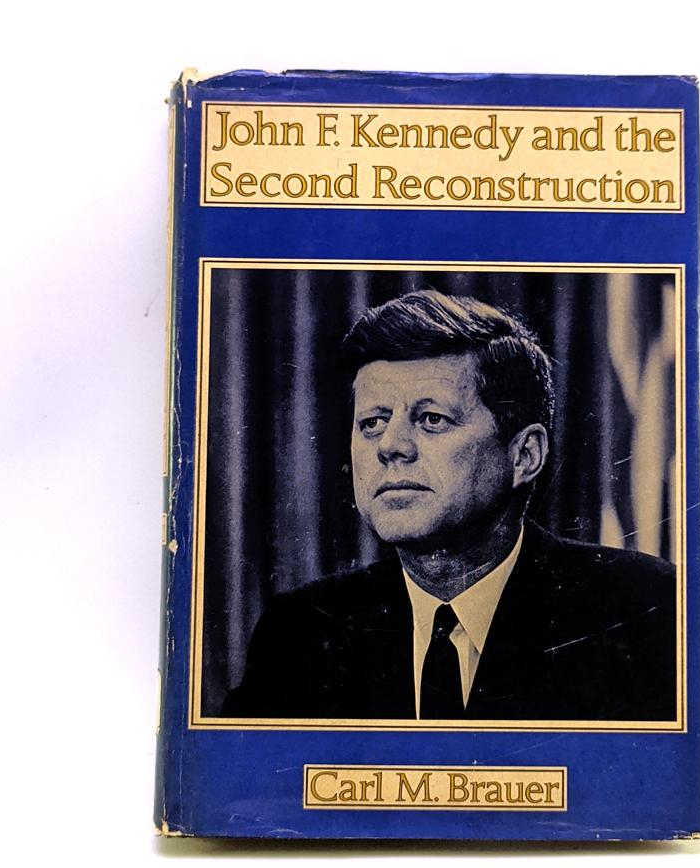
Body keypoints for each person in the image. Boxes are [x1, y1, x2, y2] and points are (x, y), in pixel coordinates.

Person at [222, 289, 676, 721]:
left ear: (524, 456)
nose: (390, 446)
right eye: (373, 422)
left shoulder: (644, 611)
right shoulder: (299, 633)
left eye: (432, 419)